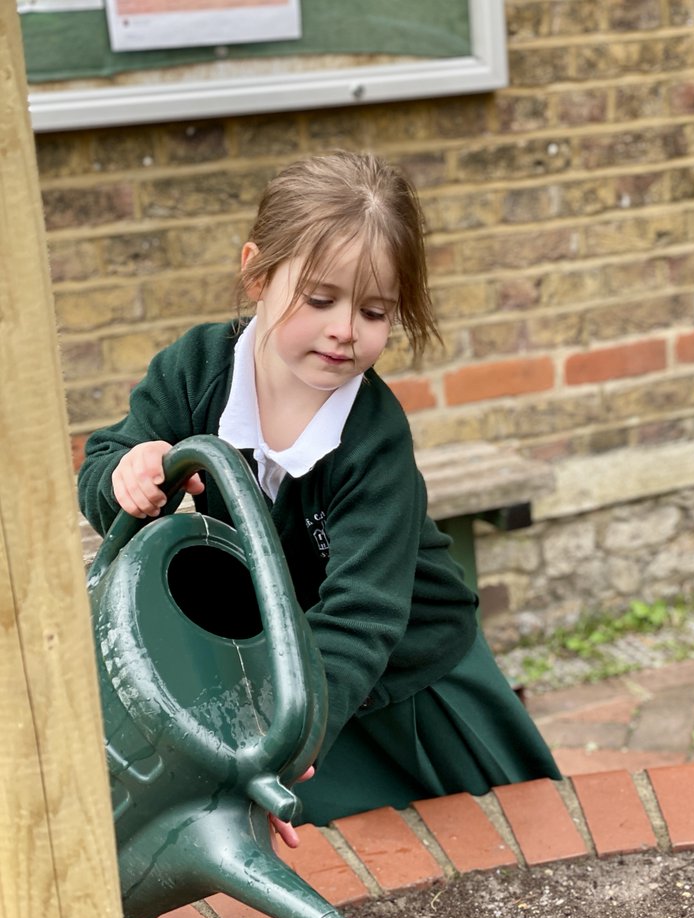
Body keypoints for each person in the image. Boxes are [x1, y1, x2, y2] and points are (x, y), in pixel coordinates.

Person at [78, 151, 561, 833]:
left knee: (509, 836)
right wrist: (130, 473)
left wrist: (295, 738)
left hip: (408, 680)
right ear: (257, 272)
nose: (344, 330)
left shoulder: (373, 437)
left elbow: (363, 617)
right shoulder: (196, 370)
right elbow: (105, 465)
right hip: (293, 668)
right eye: (321, 299)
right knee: (335, 846)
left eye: (372, 311)